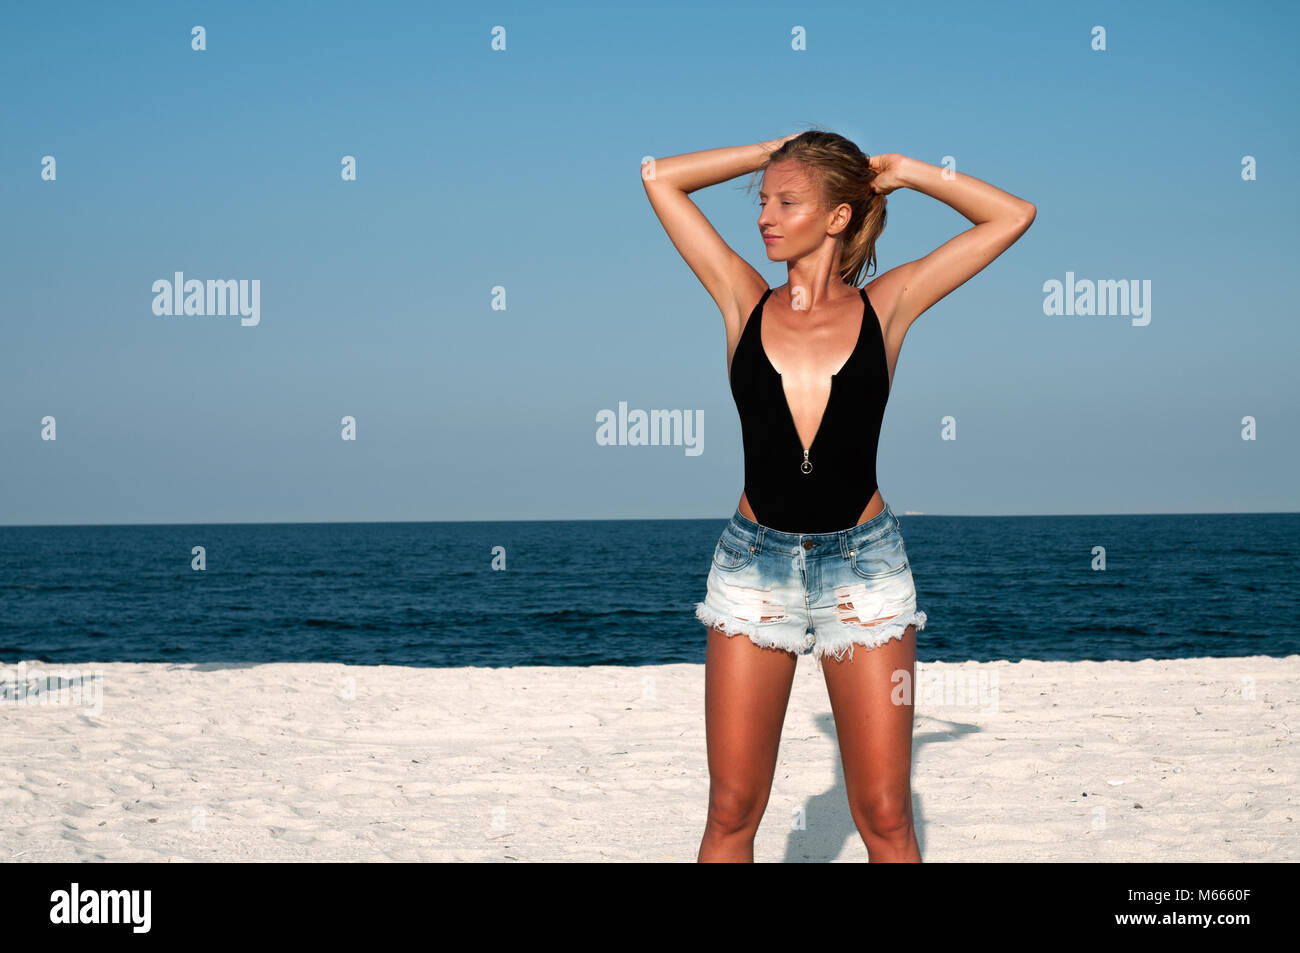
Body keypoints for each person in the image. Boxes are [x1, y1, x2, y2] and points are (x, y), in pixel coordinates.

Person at [641, 130, 1035, 862]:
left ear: (839, 216)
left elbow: (1013, 216)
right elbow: (660, 178)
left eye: (787, 201)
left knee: (884, 814)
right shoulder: (742, 297)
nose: (765, 215)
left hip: (865, 571)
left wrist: (909, 173)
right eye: (762, 201)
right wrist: (771, 152)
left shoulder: (887, 306)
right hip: (753, 570)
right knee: (731, 808)